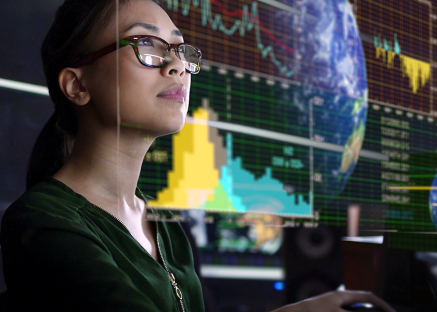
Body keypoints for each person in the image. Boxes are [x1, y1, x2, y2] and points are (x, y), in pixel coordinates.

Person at [0, 0, 396, 311]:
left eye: (180, 49)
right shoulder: (43, 221)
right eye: (147, 45)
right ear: (76, 84)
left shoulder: (166, 227)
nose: (178, 66)